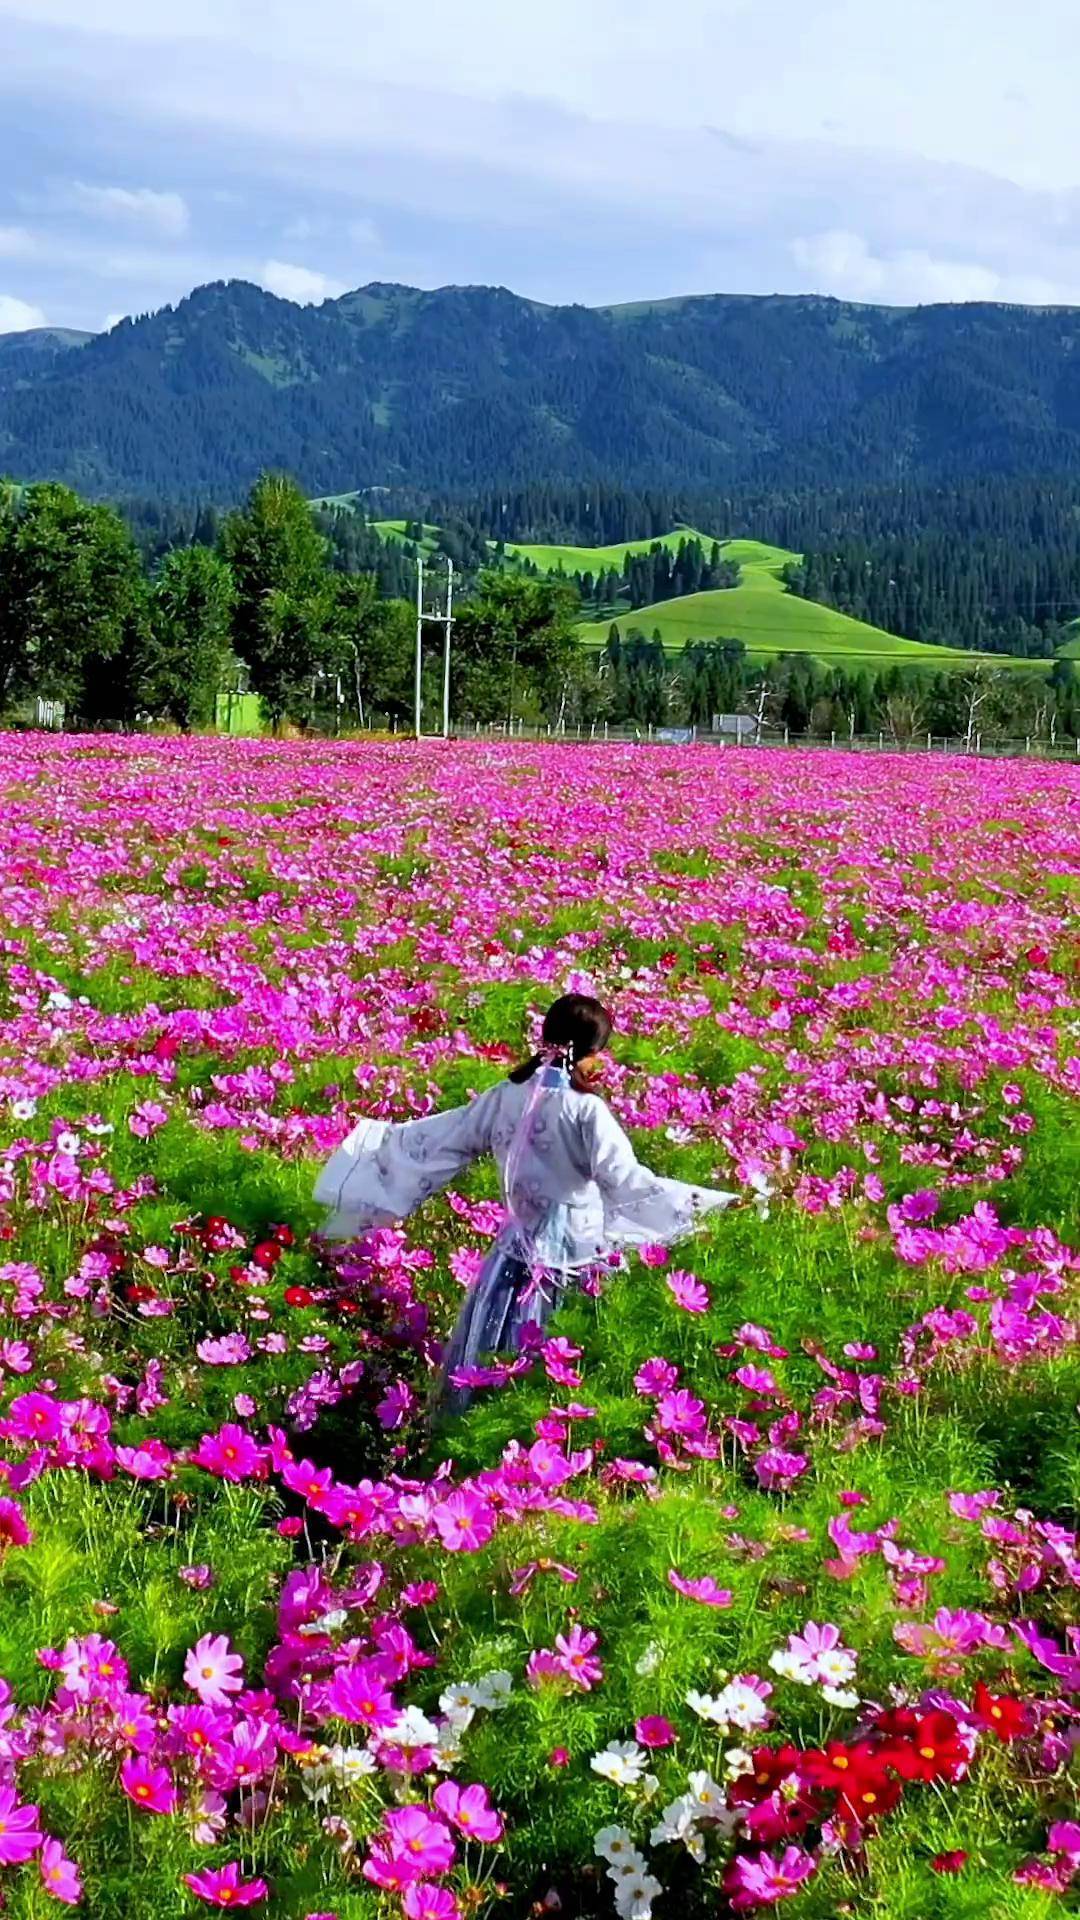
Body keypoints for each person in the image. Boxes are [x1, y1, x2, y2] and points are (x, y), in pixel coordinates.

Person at [314, 993, 738, 1410]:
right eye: (600, 1053)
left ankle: (485, 1420)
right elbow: (628, 1182)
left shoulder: (508, 1094)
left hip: (511, 1254)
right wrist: (704, 1202)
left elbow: (448, 1139)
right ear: (588, 1052)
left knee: (494, 1349)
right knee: (560, 1354)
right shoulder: (587, 1111)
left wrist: (380, 1147)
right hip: (573, 1258)